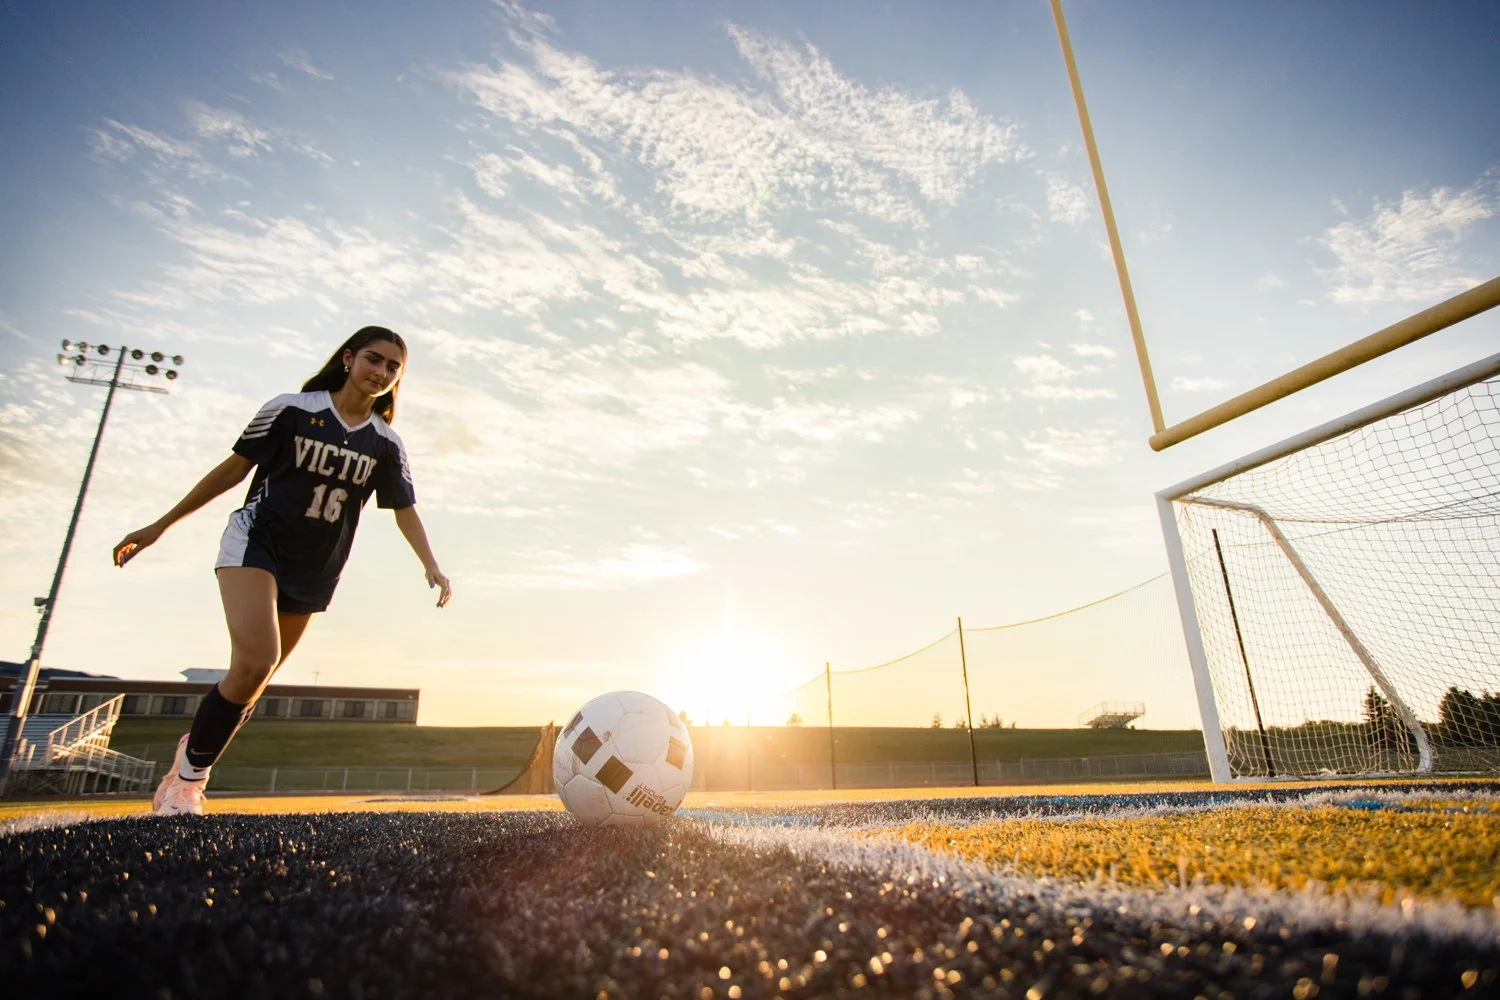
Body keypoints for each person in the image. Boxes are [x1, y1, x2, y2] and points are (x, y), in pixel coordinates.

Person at [112, 326, 452, 815]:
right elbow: (234, 469)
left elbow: (403, 508)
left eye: (393, 367)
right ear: (349, 358)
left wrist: (432, 565)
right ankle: (188, 785)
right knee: (256, 659)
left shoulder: (386, 444)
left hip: (316, 567)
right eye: (373, 360)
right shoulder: (292, 409)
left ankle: (189, 756)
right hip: (258, 541)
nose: (381, 372)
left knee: (254, 678)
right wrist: (161, 524)